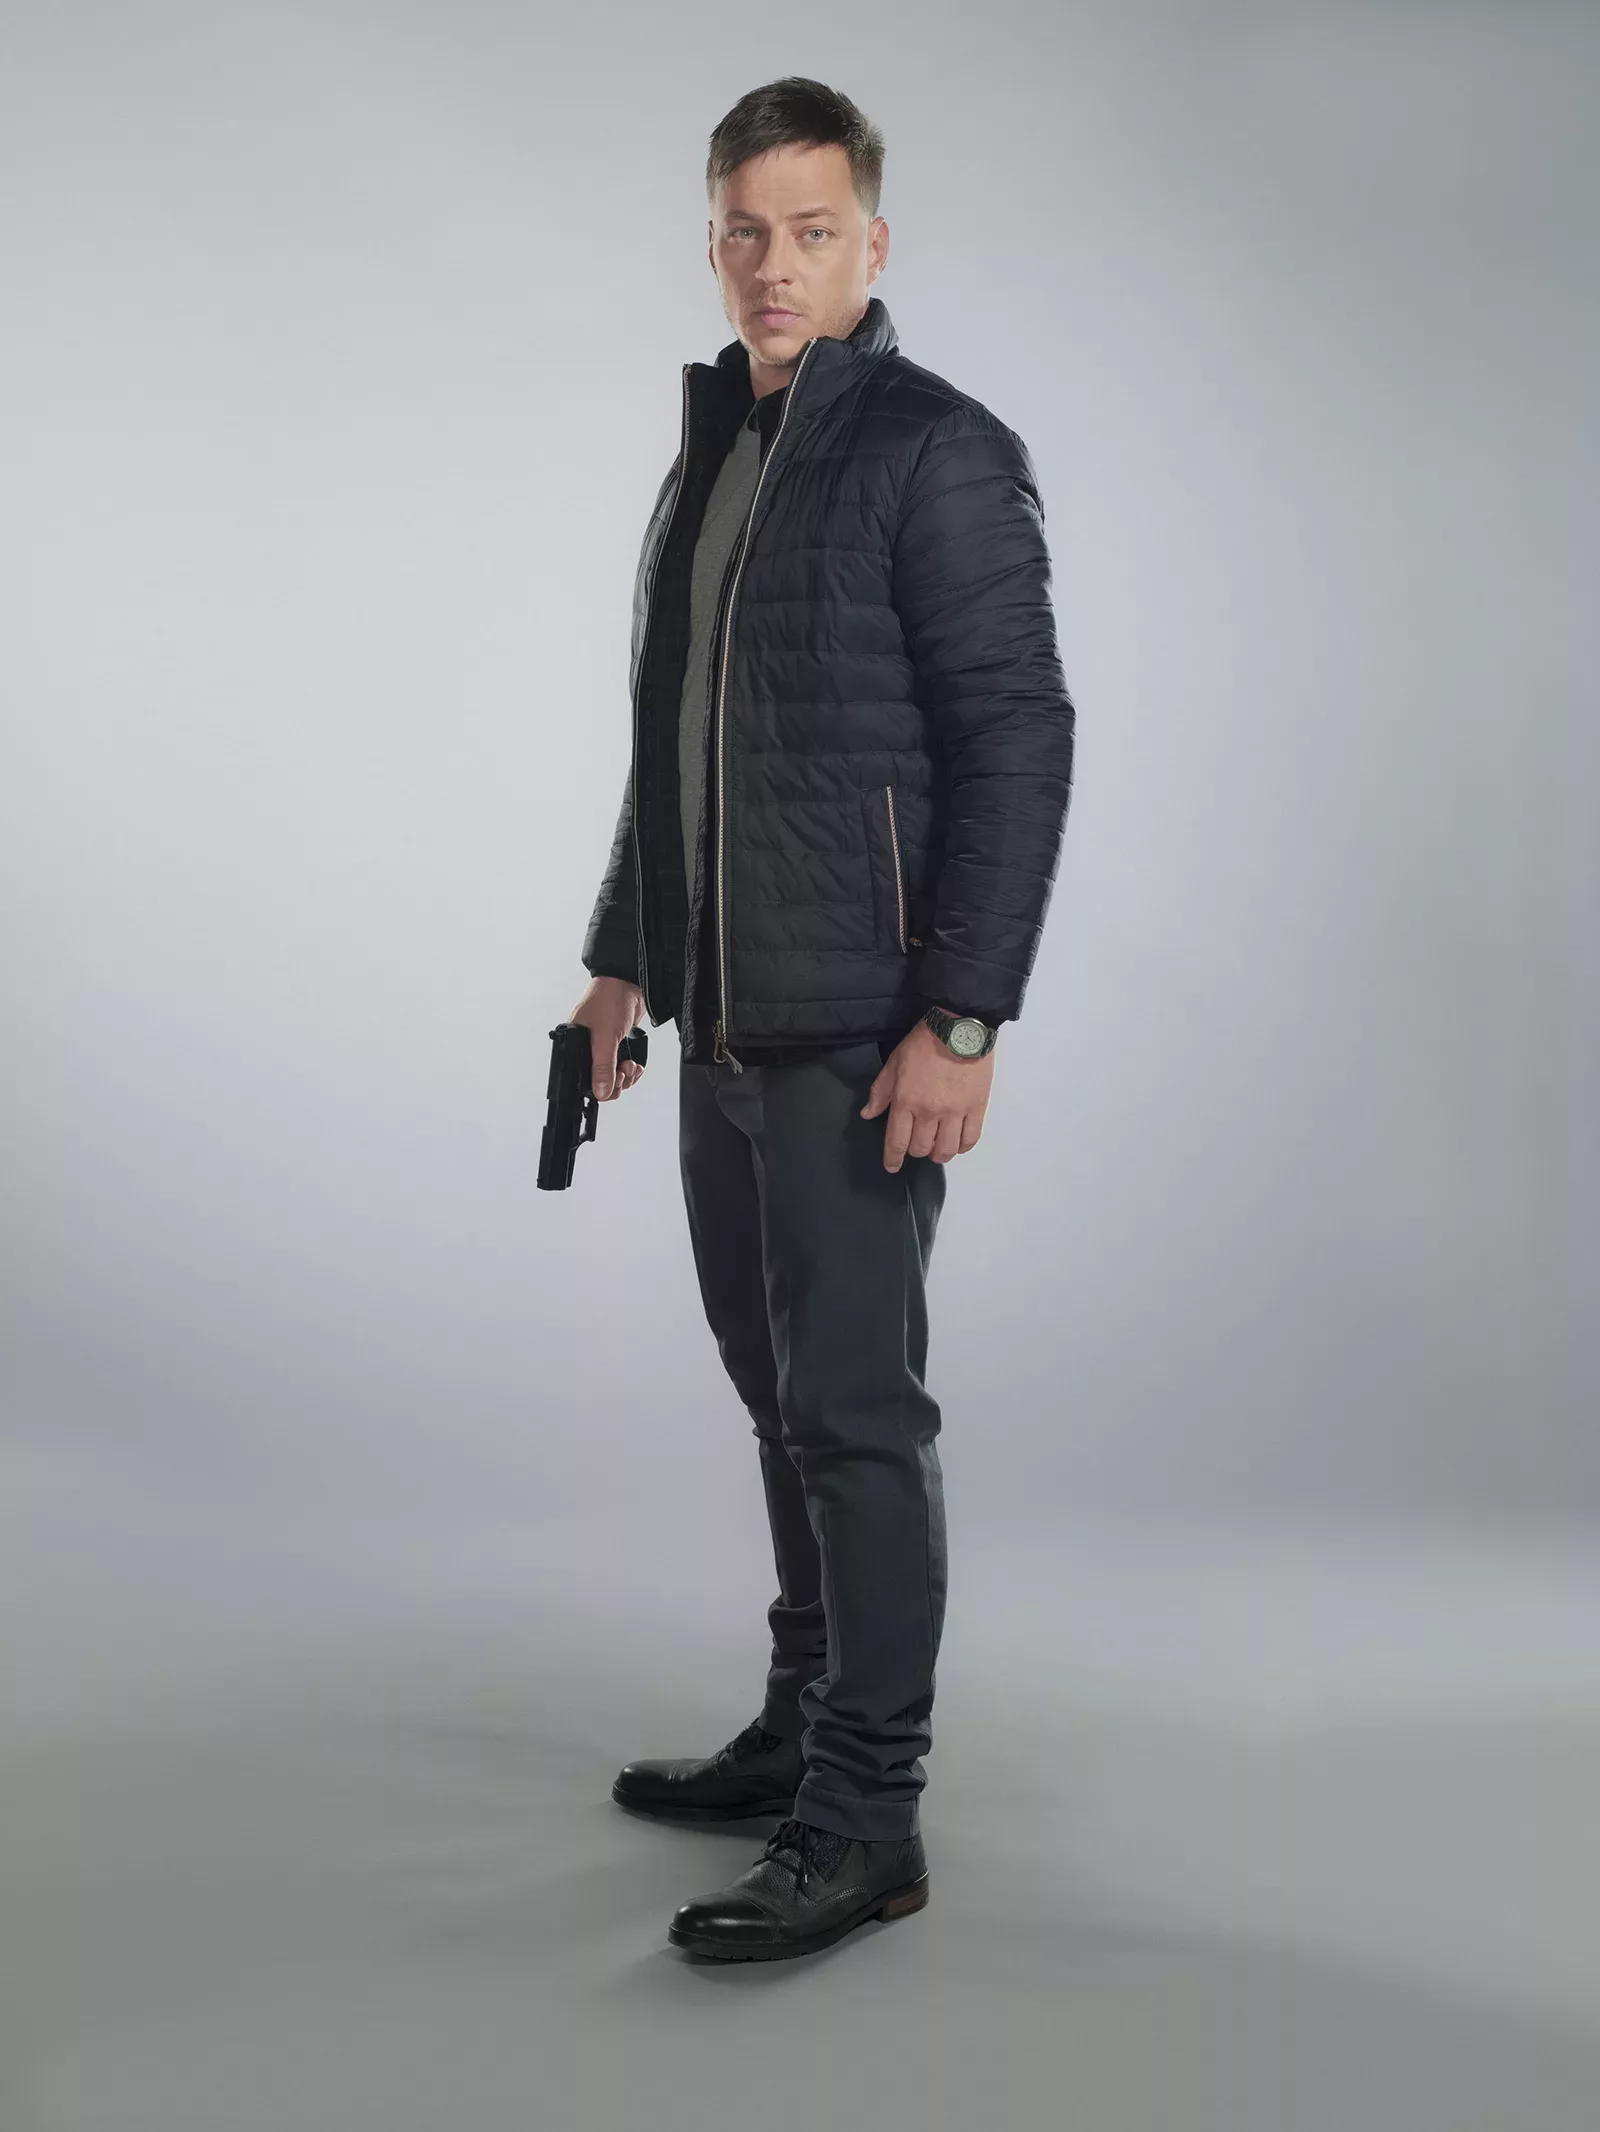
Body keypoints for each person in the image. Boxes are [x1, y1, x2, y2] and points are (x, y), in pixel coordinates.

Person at [568, 76, 1074, 1962]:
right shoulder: (717, 448)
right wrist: (623, 958)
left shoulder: (939, 450)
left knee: (854, 1411)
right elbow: (677, 745)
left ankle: (870, 1815)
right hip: (720, 1018)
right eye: (744, 234)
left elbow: (1019, 737)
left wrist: (967, 1016)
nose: (774, 267)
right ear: (712, 243)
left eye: (811, 232)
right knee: (772, 1390)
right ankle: (802, 1723)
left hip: (862, 1030)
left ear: (874, 241)